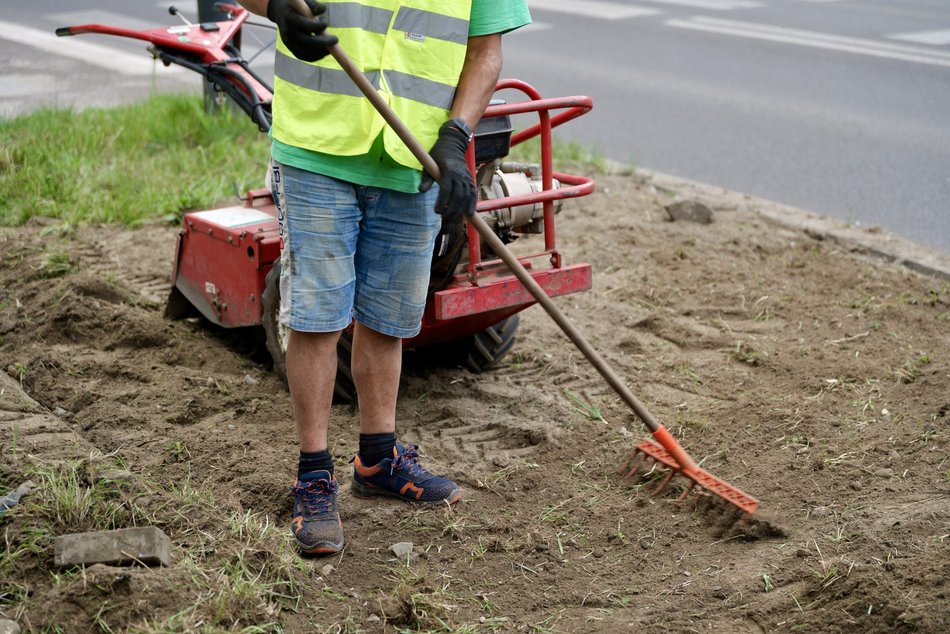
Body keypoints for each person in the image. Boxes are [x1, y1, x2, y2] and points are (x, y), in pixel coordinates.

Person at [237, 0, 531, 555]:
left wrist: (456, 136)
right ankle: (314, 475)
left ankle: (377, 460)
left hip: (412, 155)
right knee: (318, 316)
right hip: (318, 147)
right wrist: (275, 7)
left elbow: (486, 49)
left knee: (389, 315)